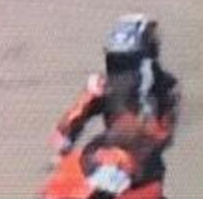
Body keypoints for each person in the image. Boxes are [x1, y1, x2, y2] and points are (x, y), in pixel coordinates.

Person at [51, 14, 180, 170]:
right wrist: (64, 146)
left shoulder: (164, 86)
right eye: (118, 62)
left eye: (126, 62)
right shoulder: (102, 86)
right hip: (105, 158)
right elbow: (71, 121)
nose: (123, 73)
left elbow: (163, 132)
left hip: (140, 166)